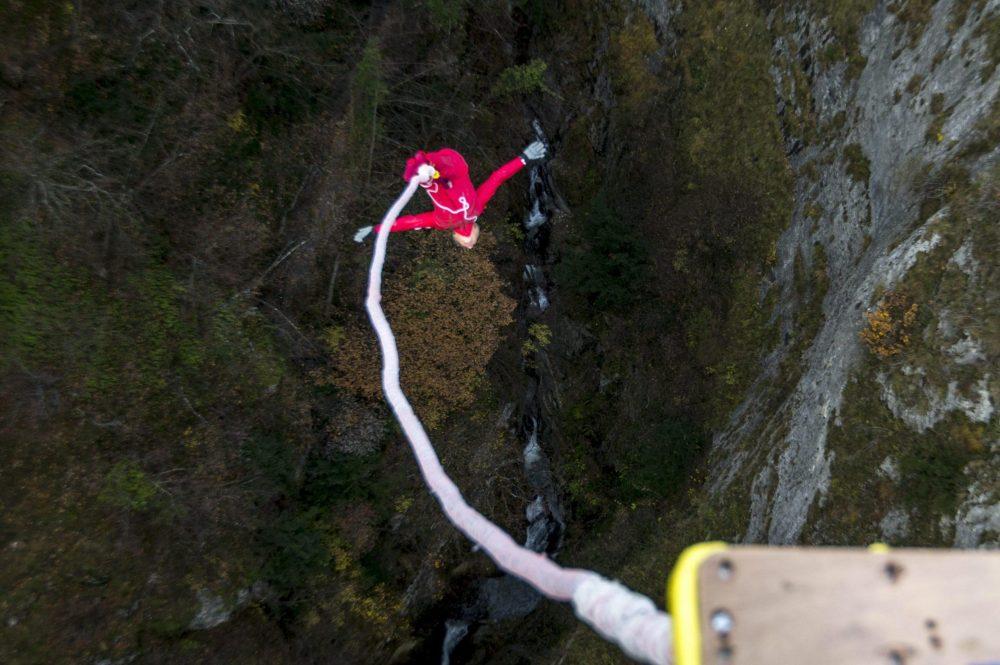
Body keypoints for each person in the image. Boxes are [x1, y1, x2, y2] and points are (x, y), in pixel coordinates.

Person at [354, 141, 547, 249]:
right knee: (450, 169)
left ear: (455, 236)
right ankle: (428, 168)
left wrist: (375, 230)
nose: (471, 246)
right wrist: (523, 159)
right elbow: (496, 179)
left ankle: (426, 168)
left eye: (466, 245)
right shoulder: (477, 207)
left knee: (430, 176)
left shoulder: (439, 223)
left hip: (437, 180)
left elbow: (407, 222)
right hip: (455, 169)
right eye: (473, 243)